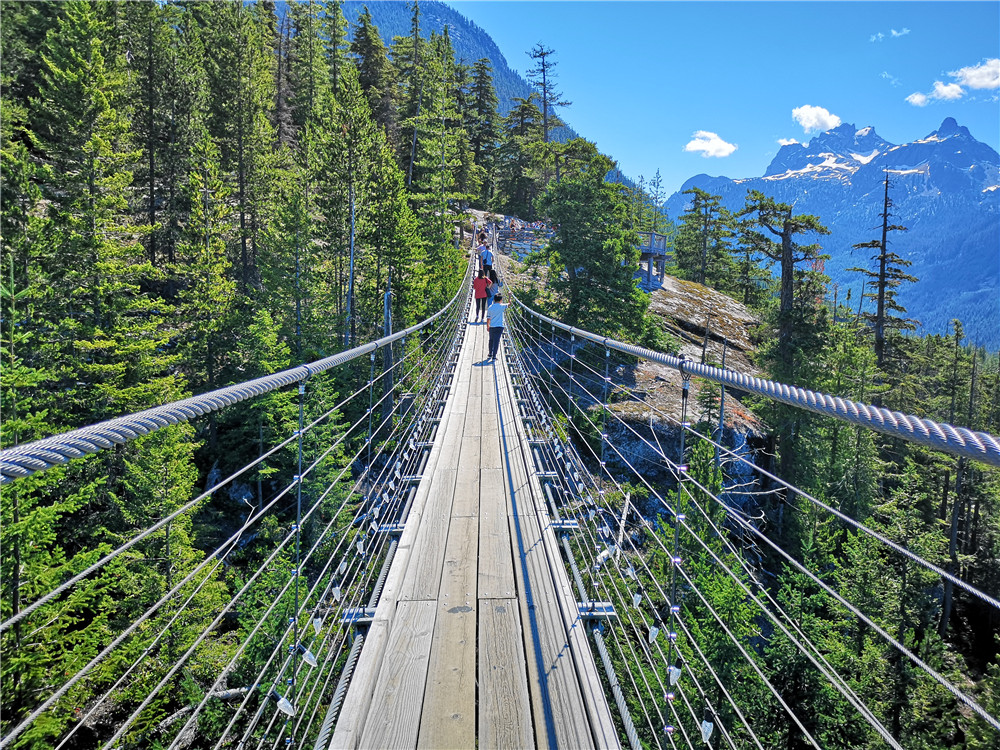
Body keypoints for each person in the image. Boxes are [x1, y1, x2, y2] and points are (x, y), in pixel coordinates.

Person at [487, 293, 509, 362]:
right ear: (501, 300)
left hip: (492, 326)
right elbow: (509, 304)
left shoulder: (490, 307)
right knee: (496, 341)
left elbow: (488, 318)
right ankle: (494, 356)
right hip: (499, 326)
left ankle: (490, 353)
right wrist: (510, 296)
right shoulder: (501, 306)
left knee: (491, 340)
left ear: (494, 300)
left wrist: (488, 326)